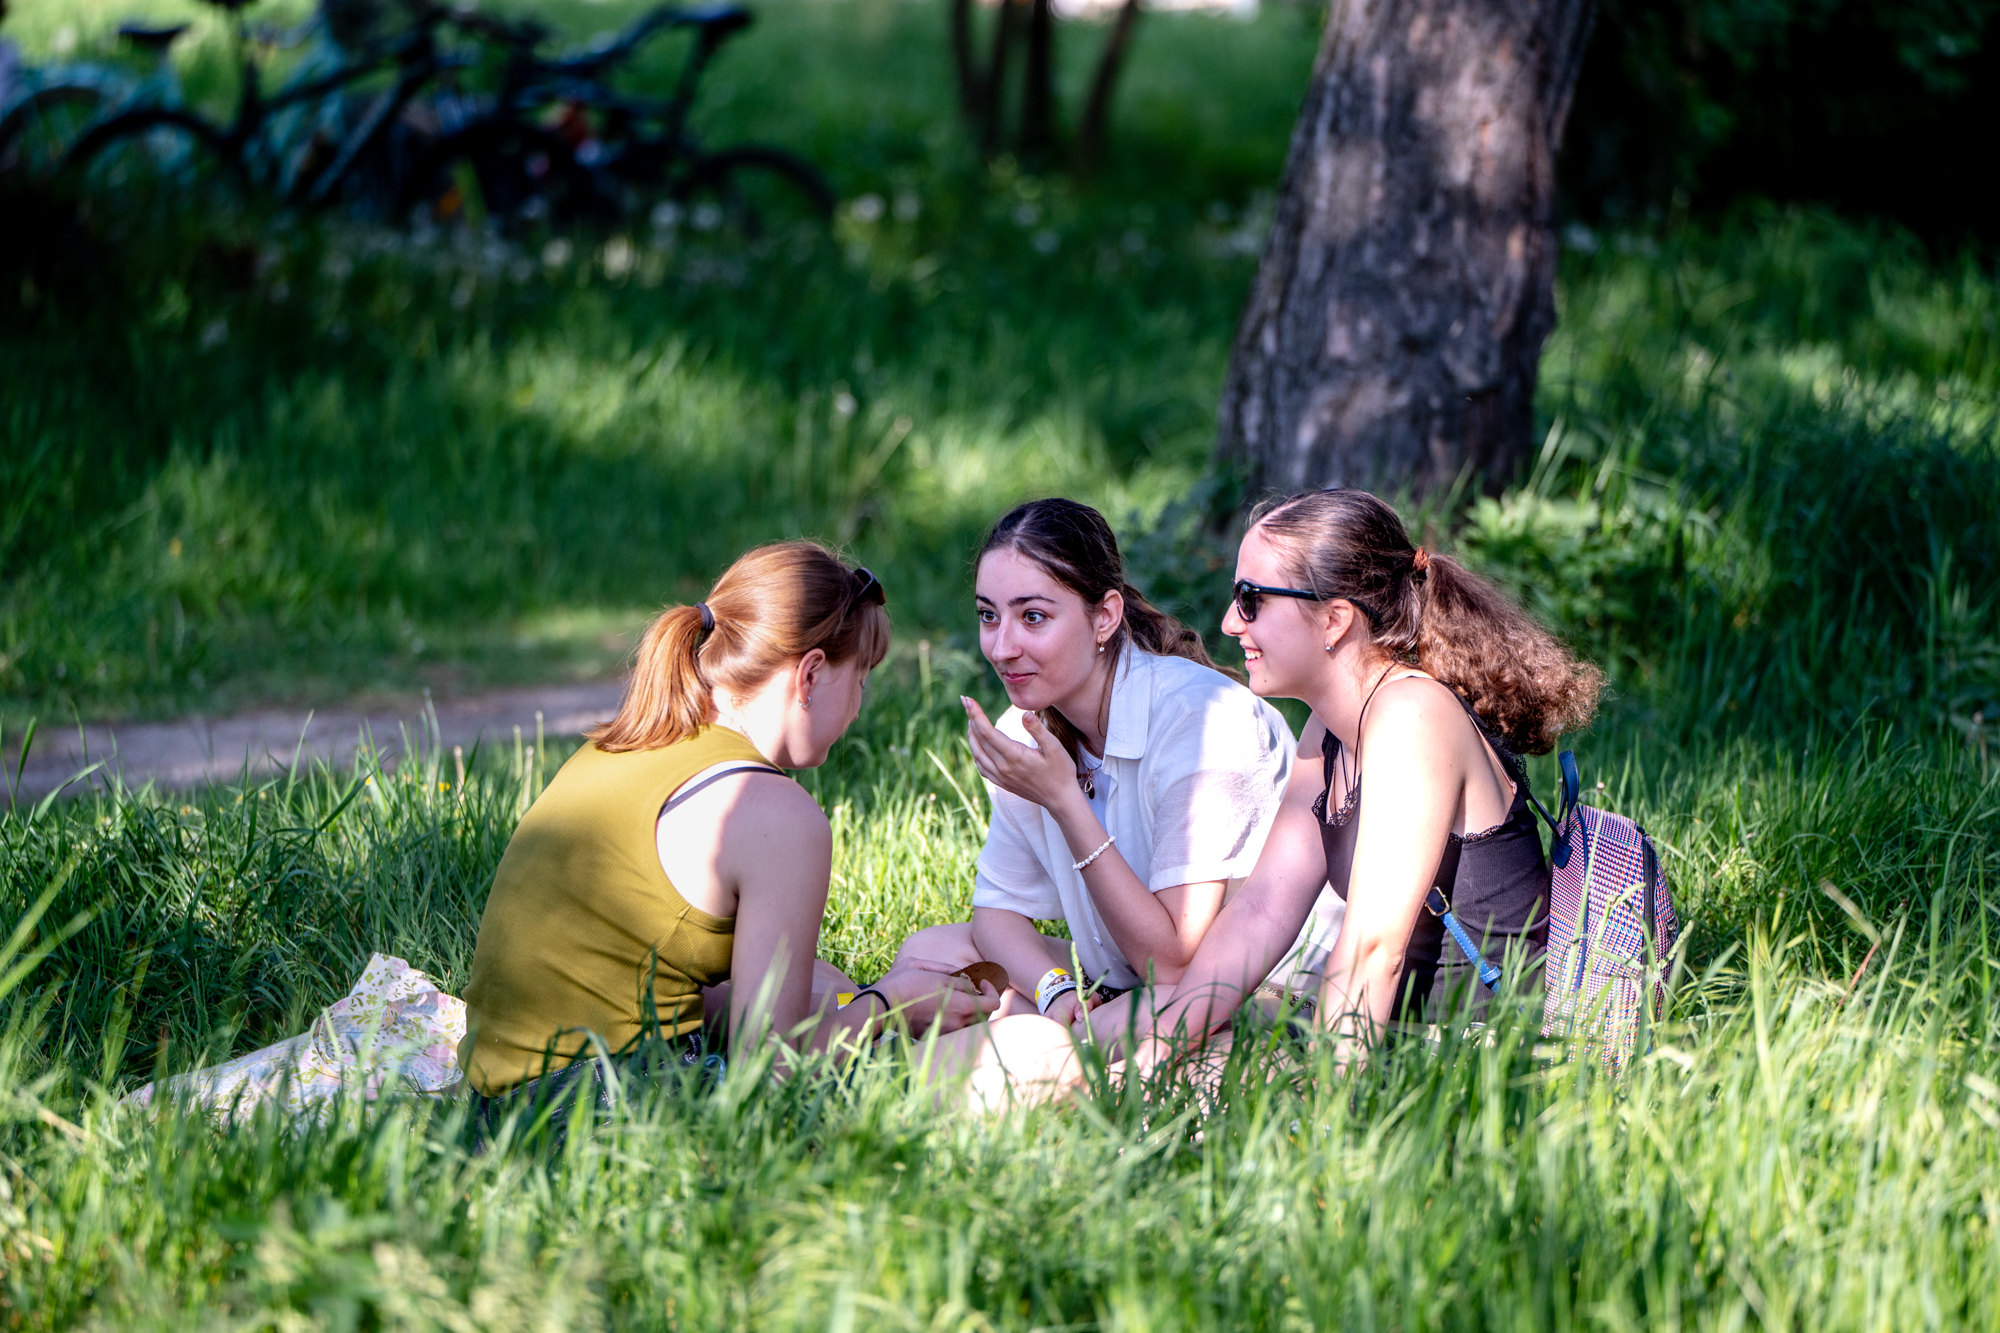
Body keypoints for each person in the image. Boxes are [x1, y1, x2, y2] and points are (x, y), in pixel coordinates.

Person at [458, 541, 1078, 1126]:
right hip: (603, 1114)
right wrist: (890, 1006)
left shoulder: (631, 744)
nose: (859, 708)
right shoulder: (775, 812)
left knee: (824, 984)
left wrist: (853, 998)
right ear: (810, 675)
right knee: (1035, 1051)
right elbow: (772, 1072)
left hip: (499, 1107)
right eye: (859, 679)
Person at [1123, 488, 1602, 1070]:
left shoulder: (1412, 717)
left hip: (1471, 1056)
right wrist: (1157, 1053)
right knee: (1124, 1033)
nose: (1228, 623)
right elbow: (1261, 912)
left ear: (1334, 618)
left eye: (1251, 601)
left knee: (1177, 1085)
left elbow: (1374, 951)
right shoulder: (1327, 733)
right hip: (1391, 1031)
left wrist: (1328, 1135)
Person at [894, 498, 1312, 1035]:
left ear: (1105, 617)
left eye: (1033, 617)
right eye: (988, 616)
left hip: (1253, 989)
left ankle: (1037, 1054)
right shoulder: (1024, 728)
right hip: (1124, 974)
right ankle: (1050, 1034)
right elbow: (995, 913)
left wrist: (1065, 800)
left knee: (1065, 1030)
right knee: (930, 952)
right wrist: (1053, 989)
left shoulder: (1203, 721)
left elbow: (1176, 963)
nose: (1001, 647)